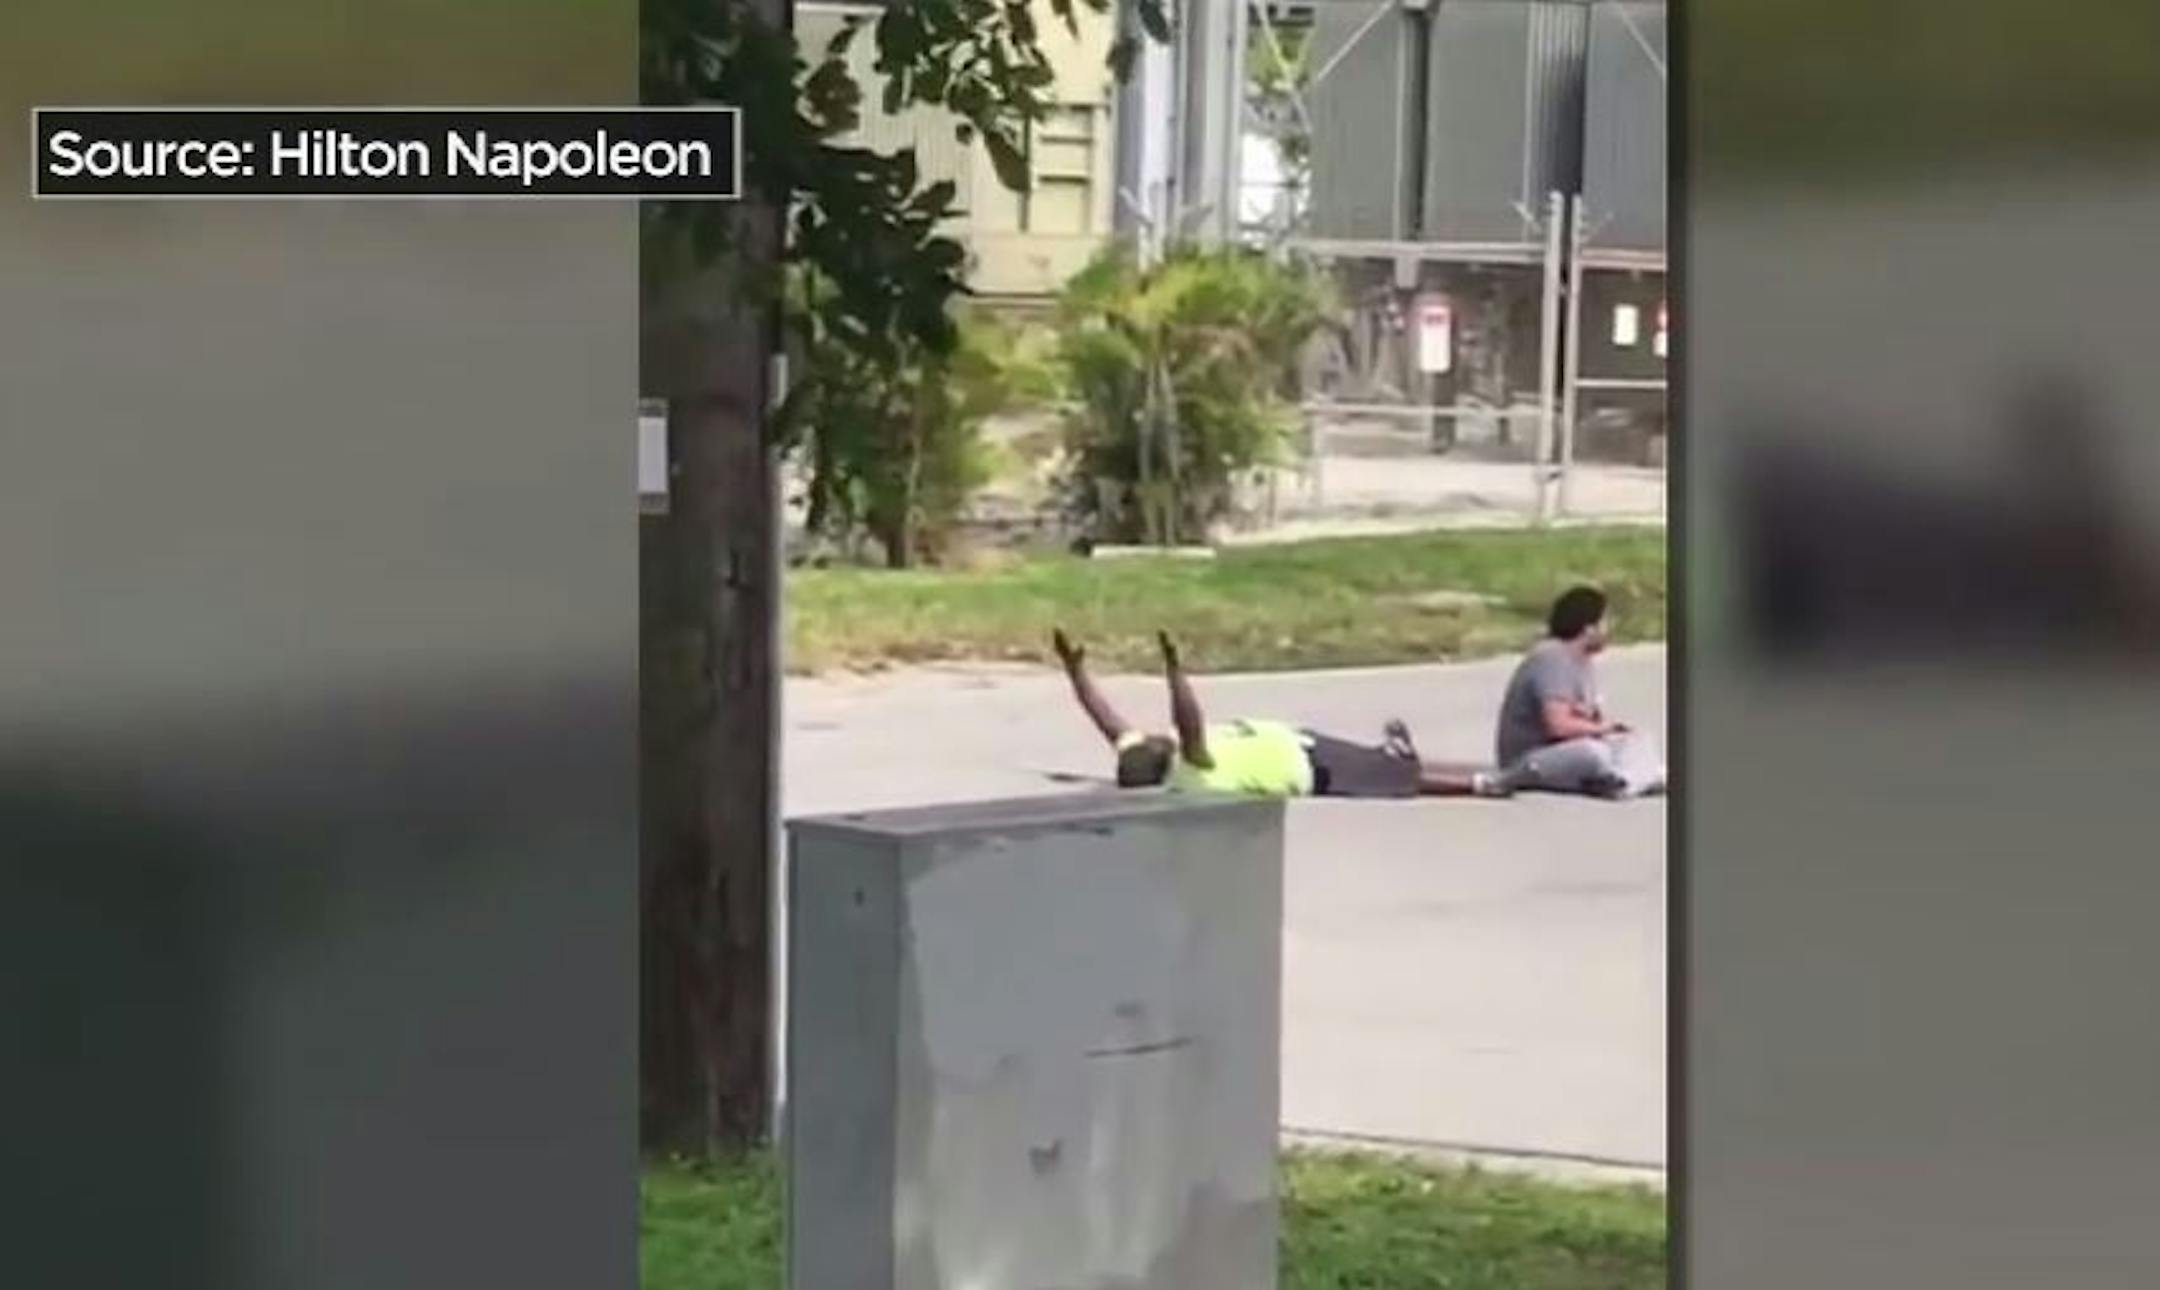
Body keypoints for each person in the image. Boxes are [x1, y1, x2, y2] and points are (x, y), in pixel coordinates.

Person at [1054, 628, 1513, 799]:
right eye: (1153, 742)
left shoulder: (1145, 757)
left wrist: (1075, 670)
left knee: (1389, 763)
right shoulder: (1189, 771)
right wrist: (1174, 670)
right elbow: (1190, 719)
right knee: (1398, 777)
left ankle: (1468, 770)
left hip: (1300, 741)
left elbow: (1105, 719)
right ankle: (1479, 782)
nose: (1149, 735)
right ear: (1161, 761)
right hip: (1310, 768)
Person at [1493, 585, 1665, 798]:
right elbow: (1557, 726)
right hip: (1532, 757)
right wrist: (1603, 728)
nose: (1608, 631)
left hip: (1567, 751)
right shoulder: (1552, 658)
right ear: (1588, 628)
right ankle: (1628, 780)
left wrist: (1611, 731)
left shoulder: (1583, 663)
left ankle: (1624, 779)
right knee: (1593, 754)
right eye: (1604, 623)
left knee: (1639, 740)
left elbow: (1588, 719)